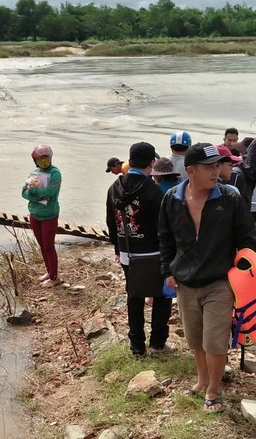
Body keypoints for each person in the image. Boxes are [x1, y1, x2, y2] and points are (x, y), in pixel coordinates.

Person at [159, 143, 256, 413]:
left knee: (214, 339)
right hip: (185, 282)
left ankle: (214, 389)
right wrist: (167, 270)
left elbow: (249, 240)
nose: (216, 171)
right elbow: (165, 238)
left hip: (219, 282)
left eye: (217, 165)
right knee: (195, 338)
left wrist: (238, 276)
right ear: (190, 170)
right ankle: (202, 380)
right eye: (209, 167)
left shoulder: (229, 198)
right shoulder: (171, 199)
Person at [106, 142, 173, 358]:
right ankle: (157, 343)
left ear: (130, 160)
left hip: (127, 253)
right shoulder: (153, 190)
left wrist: (118, 249)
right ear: (152, 163)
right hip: (153, 252)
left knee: (133, 296)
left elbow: (110, 222)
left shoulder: (114, 188)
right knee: (161, 296)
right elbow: (163, 227)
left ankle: (137, 347)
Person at [22, 144, 62, 288]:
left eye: (46, 158)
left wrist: (33, 192)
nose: (44, 161)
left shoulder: (55, 173)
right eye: (40, 159)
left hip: (49, 215)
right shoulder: (34, 173)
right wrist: (35, 194)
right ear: (35, 160)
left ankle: (54, 277)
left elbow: (49, 193)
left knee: (49, 246)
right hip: (35, 214)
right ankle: (49, 271)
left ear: (51, 158)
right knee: (42, 246)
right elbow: (23, 193)